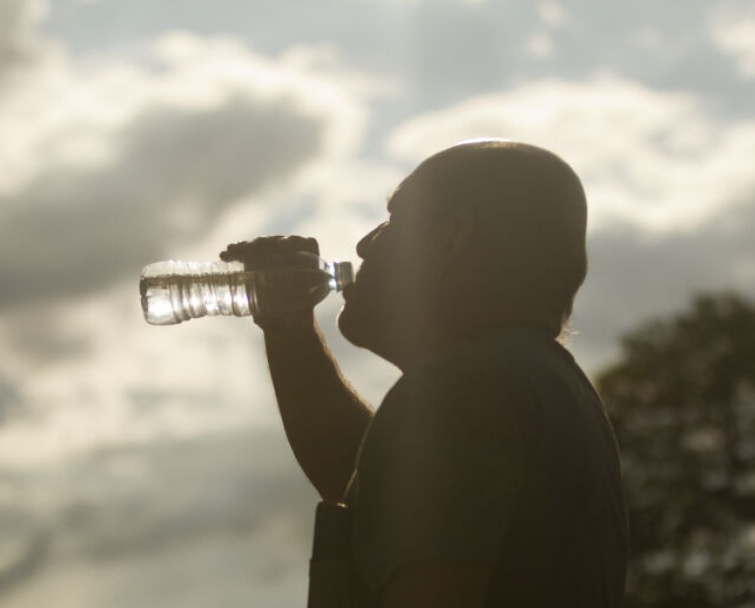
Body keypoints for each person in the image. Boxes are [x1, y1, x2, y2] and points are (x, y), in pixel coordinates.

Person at [221, 139, 628, 608]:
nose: (364, 244)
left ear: (451, 238)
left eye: (395, 222)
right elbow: (380, 489)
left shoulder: (465, 384)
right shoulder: (541, 385)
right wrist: (289, 329)